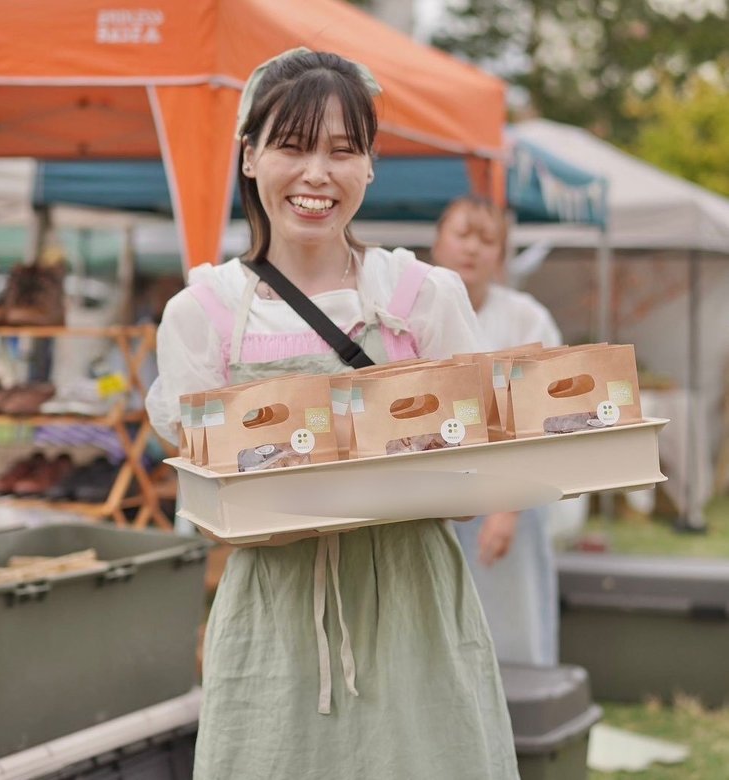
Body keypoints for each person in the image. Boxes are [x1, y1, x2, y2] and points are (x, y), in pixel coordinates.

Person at [146, 49, 518, 779]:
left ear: (370, 167)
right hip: (276, 624)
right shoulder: (205, 315)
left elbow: (481, 470)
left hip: (416, 613)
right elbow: (212, 499)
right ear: (248, 157)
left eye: (343, 151)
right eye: (292, 145)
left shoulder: (421, 298)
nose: (317, 174)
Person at [431, 195, 562, 667]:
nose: (472, 248)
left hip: (513, 498)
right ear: (437, 243)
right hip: (431, 499)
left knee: (512, 630)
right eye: (462, 234)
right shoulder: (417, 313)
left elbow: (546, 414)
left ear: (501, 255)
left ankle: (519, 729)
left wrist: (506, 509)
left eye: (487, 240)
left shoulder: (527, 317)